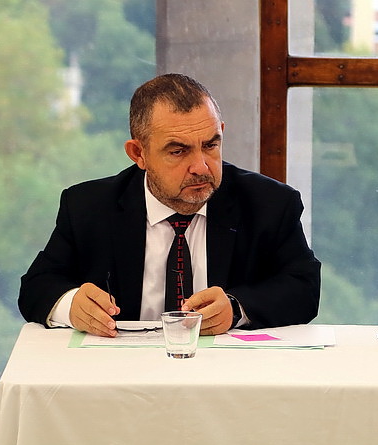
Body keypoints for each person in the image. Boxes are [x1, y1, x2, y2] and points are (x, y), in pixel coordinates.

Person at [19, 73, 321, 337]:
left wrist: (235, 307)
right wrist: (72, 305)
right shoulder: (88, 206)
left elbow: (303, 288)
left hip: (229, 376)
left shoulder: (270, 203)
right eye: (178, 151)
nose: (201, 167)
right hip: (122, 377)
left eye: (210, 145)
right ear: (139, 153)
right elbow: (36, 287)